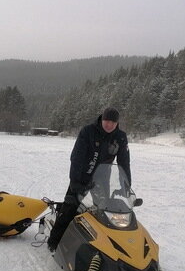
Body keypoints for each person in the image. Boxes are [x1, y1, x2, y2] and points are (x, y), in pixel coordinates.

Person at [47, 107, 131, 252]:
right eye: (107, 121)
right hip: (81, 177)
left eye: (113, 122)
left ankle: (108, 247)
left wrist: (126, 186)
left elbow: (124, 163)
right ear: (102, 119)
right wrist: (74, 181)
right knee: (70, 208)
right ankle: (54, 241)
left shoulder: (120, 137)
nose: (109, 125)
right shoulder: (88, 131)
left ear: (117, 123)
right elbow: (76, 157)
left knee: (105, 211)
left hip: (102, 179)